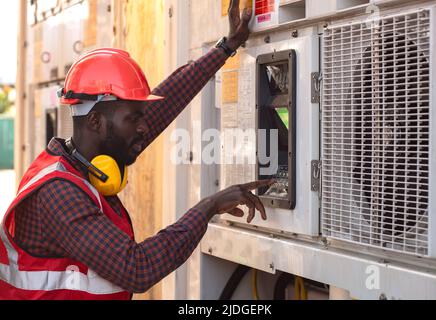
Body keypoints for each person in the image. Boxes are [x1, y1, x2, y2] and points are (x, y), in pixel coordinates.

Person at [0, 0, 273, 300]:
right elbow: (136, 268)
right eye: (134, 117)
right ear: (95, 121)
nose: (144, 127)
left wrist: (225, 47)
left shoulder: (88, 160)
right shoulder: (58, 193)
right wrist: (208, 207)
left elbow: (165, 102)